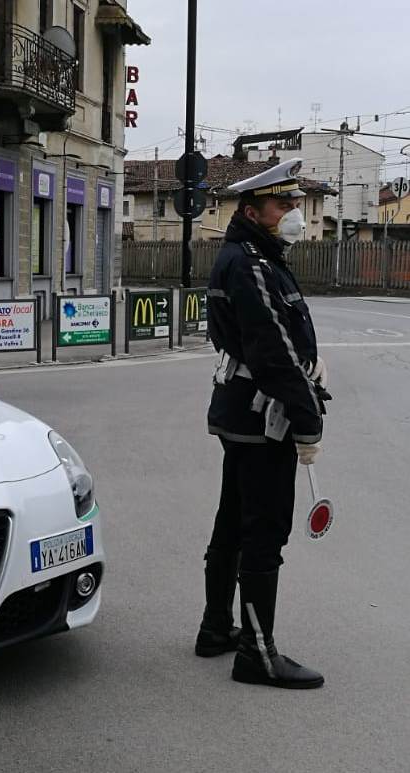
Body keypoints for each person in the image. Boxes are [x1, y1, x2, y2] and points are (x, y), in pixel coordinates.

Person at [197, 158, 329, 689]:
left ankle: (215, 629)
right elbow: (272, 351)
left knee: (234, 522)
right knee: (264, 534)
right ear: (254, 211)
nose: (294, 210)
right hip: (262, 418)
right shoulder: (251, 262)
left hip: (242, 412)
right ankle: (256, 652)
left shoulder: (255, 256)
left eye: (294, 201)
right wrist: (307, 418)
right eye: (283, 203)